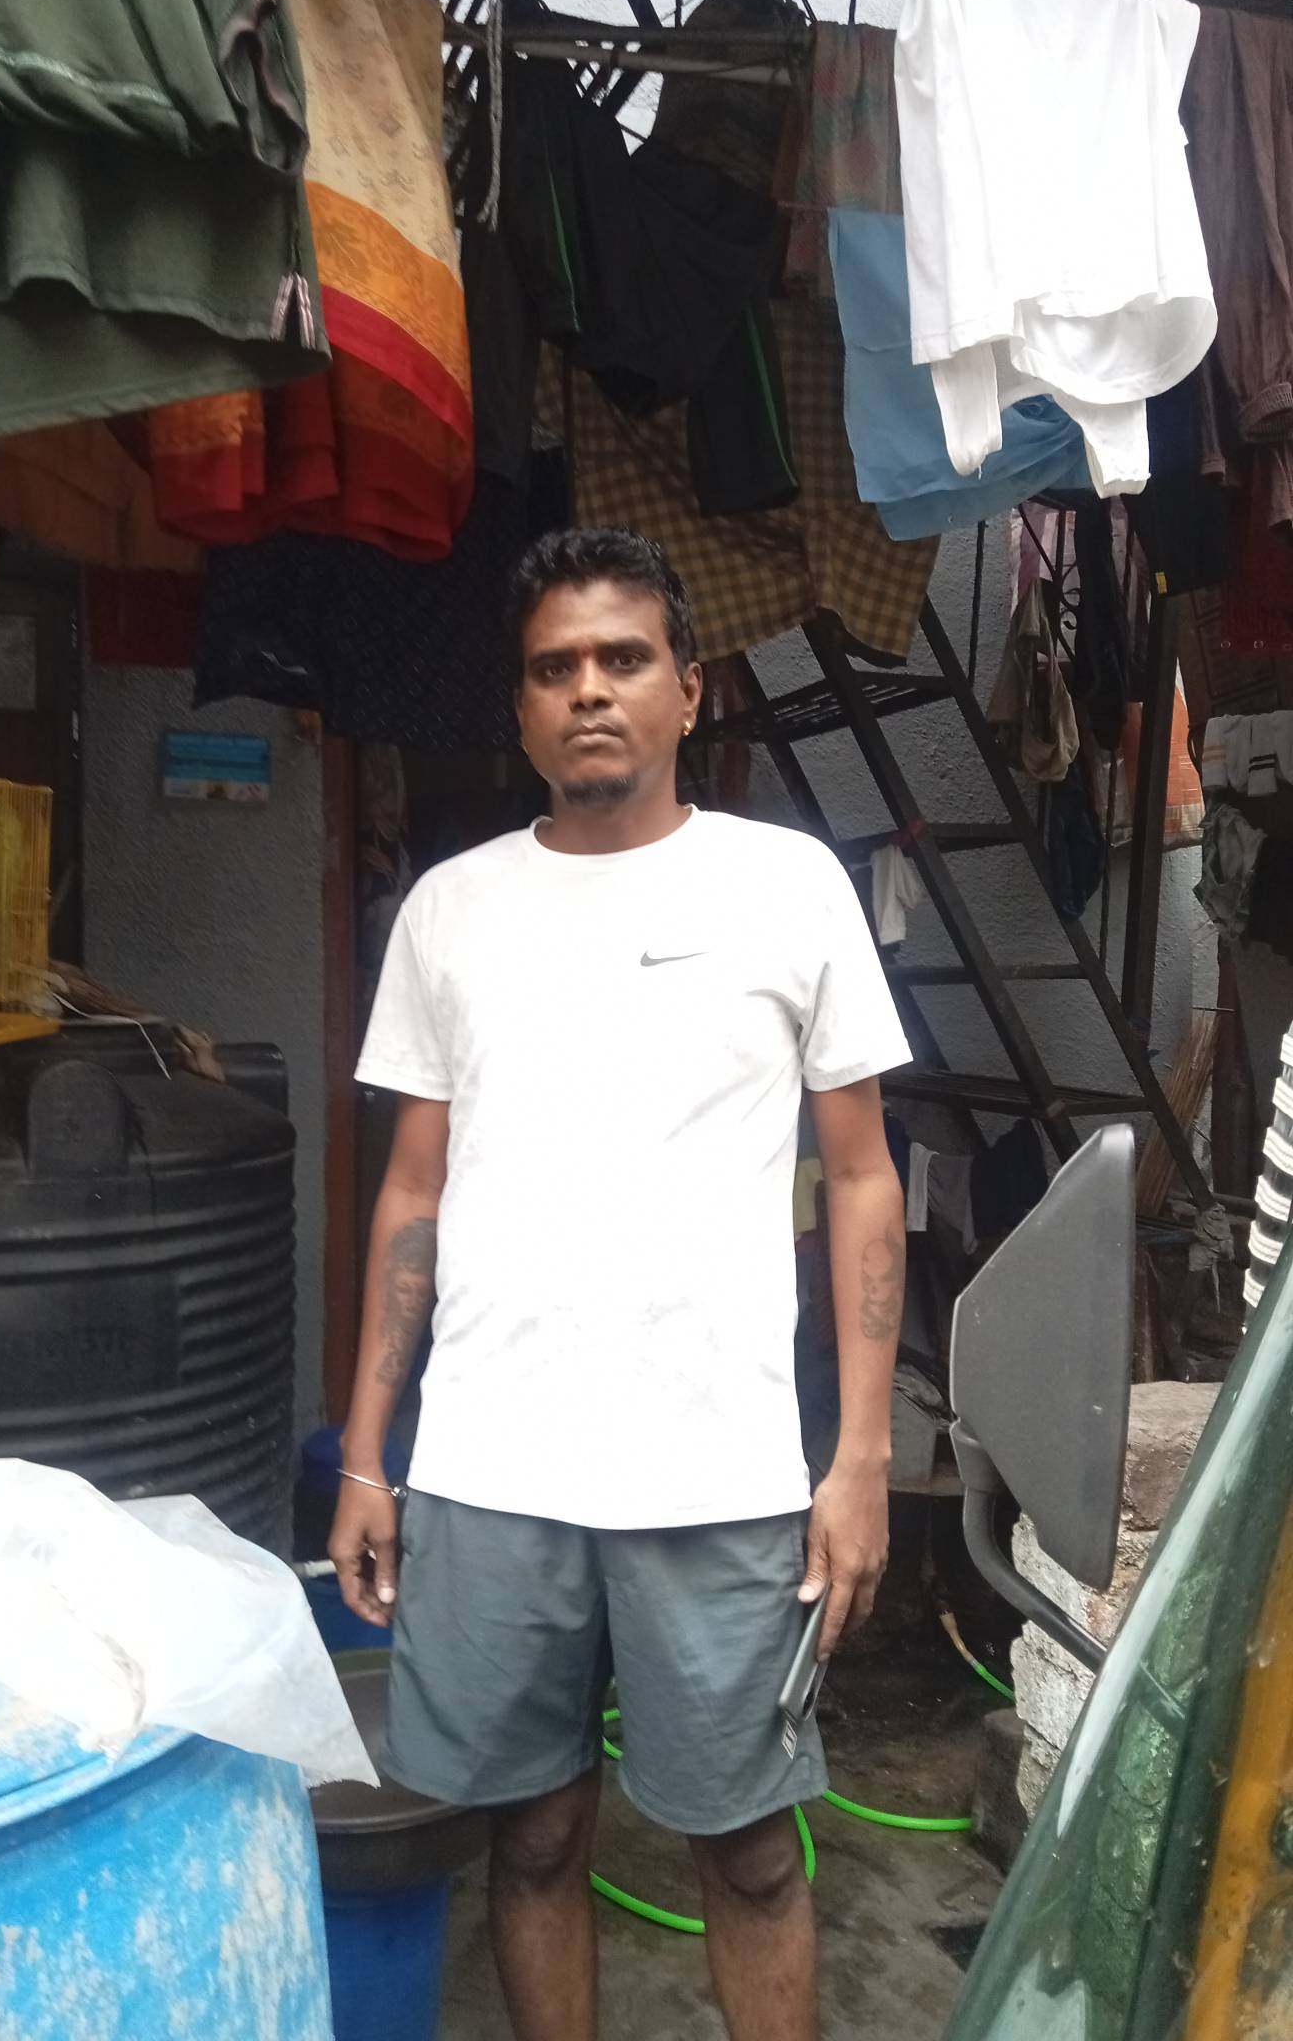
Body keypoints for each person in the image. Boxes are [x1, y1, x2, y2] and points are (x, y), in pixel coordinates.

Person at [330, 526, 910, 2041]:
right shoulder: (448, 913)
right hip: (493, 1469)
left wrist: (858, 1457)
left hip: (715, 1474)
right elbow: (412, 1191)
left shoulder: (788, 888)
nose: (589, 690)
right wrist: (370, 1455)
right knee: (530, 1842)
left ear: (688, 689)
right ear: (521, 707)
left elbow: (863, 1177)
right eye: (554, 668)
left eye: (624, 658)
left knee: (752, 1855)